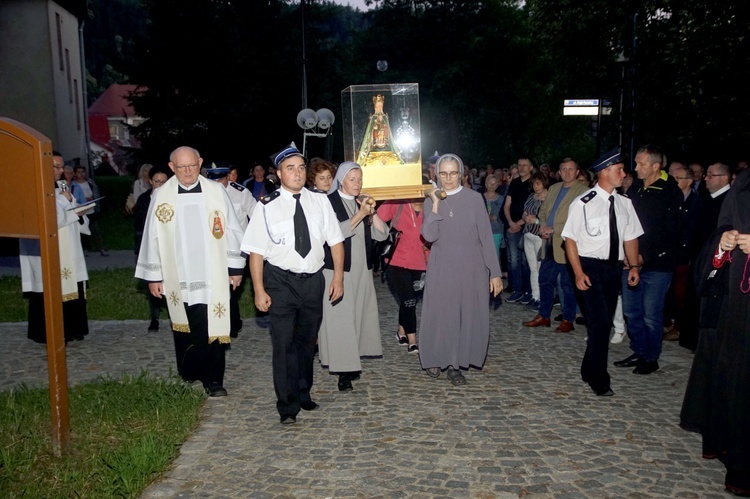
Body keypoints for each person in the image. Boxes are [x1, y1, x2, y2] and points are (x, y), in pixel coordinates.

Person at [243, 142, 344, 425]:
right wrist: (259, 289)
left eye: (301, 168)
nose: (297, 173)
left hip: (312, 281)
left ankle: (303, 392)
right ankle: (287, 406)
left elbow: (335, 241)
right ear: (279, 173)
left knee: (306, 342)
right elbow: (255, 252)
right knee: (283, 343)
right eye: (291, 169)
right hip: (280, 282)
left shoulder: (320, 201)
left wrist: (337, 276)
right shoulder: (266, 206)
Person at [135, 146, 246, 397]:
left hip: (212, 273)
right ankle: (190, 369)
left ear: (200, 163)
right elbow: (152, 236)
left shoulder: (216, 192)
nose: (187, 171)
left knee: (213, 325)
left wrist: (235, 268)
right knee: (185, 324)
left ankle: (214, 379)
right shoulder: (161, 196)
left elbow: (232, 231)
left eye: (192, 166)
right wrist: (154, 275)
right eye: (181, 167)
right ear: (172, 167)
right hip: (179, 275)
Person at [680, 169, 750, 496]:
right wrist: (722, 244)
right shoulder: (745, 184)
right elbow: (721, 231)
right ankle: (731, 450)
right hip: (735, 311)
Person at [562, 149, 643, 396]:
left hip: (614, 268)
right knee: (600, 322)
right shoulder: (583, 203)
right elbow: (570, 240)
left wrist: (634, 265)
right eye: (619, 169)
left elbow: (630, 237)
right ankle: (599, 378)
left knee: (602, 323)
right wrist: (577, 272)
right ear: (605, 172)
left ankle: (588, 369)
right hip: (589, 267)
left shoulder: (625, 203)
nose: (624, 174)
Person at [419, 154, 503, 386]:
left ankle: (455, 365)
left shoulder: (474, 199)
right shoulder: (430, 200)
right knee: (441, 314)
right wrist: (435, 203)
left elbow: (486, 237)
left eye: (453, 173)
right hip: (442, 264)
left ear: (461, 174)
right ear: (437, 173)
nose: (448, 178)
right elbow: (429, 236)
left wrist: (494, 272)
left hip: (471, 266)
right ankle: (436, 356)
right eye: (443, 173)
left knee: (463, 314)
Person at [318, 162, 388, 391]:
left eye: (360, 179)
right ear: (341, 180)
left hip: (362, 269)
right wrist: (360, 213)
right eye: (352, 179)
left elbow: (382, 233)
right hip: (338, 270)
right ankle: (344, 373)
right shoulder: (328, 202)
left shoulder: (363, 202)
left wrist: (372, 211)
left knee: (358, 316)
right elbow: (334, 234)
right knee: (340, 321)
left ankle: (353, 360)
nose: (357, 184)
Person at [614, 145, 682, 375]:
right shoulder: (636, 189)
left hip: (657, 266)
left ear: (656, 166)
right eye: (636, 163)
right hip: (630, 262)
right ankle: (639, 350)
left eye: (641, 164)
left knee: (651, 314)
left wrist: (645, 256)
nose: (636, 168)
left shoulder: (669, 191)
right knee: (632, 312)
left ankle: (651, 357)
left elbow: (670, 233)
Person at [20, 150, 90, 343]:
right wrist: (66, 203)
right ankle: (49, 332)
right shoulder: (33, 188)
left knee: (71, 286)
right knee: (51, 288)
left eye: (62, 166)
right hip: (47, 250)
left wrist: (81, 214)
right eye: (57, 167)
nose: (62, 170)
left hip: (69, 246)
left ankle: (73, 329)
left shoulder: (62, 188)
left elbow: (73, 215)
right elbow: (49, 221)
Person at [522, 158, 588, 332]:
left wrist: (554, 228)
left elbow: (579, 219)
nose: (566, 172)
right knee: (544, 280)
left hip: (567, 245)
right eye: (563, 169)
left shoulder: (583, 191)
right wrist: (543, 226)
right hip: (548, 242)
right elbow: (543, 211)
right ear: (559, 172)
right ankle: (544, 315)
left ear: (577, 172)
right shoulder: (553, 188)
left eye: (570, 169)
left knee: (567, 284)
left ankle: (568, 319)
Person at [206, 164, 257, 337]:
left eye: (220, 180)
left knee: (232, 288)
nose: (217, 184)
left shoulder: (241, 193)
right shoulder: (205, 192)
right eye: (214, 181)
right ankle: (218, 322)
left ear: (227, 177)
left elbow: (256, 215)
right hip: (213, 248)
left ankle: (233, 324)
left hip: (235, 248)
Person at [378, 196, 430, 353]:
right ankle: (412, 340)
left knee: (411, 299)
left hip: (422, 262)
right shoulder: (398, 203)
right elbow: (379, 217)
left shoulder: (432, 207)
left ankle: (401, 330)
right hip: (396, 261)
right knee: (408, 300)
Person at [133, 164, 171, 331]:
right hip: (150, 246)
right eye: (157, 182)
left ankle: (174, 316)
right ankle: (154, 317)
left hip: (169, 248)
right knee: (153, 281)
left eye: (164, 182)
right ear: (150, 181)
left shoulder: (173, 198)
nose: (160, 186)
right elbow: (138, 223)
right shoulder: (143, 199)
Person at [504, 157, 534, 304]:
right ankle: (517, 290)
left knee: (526, 261)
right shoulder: (514, 183)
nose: (521, 168)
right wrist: (511, 222)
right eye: (519, 165)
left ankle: (528, 291)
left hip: (527, 227)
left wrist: (519, 223)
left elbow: (535, 206)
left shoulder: (534, 183)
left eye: (524, 165)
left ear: (531, 168)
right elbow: (507, 205)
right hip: (512, 225)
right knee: (513, 260)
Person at [520, 172, 549, 310]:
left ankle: (543, 298)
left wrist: (536, 220)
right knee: (532, 268)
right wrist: (525, 217)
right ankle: (535, 296)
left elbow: (549, 217)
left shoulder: (549, 197)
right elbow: (525, 211)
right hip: (528, 234)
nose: (535, 186)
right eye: (533, 184)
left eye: (538, 183)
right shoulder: (532, 196)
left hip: (540, 236)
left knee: (540, 267)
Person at [71, 164, 108, 256]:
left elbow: (96, 194)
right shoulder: (73, 185)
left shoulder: (90, 183)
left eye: (82, 172)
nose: (81, 174)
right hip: (81, 211)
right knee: (83, 231)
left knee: (96, 230)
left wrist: (94, 201)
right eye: (78, 172)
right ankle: (85, 249)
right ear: (75, 173)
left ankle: (101, 248)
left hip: (91, 210)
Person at [483, 174, 505, 274]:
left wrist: (495, 218)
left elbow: (503, 215)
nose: (492, 185)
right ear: (486, 184)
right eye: (490, 183)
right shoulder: (480, 198)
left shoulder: (501, 199)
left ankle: (495, 277)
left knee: (494, 255)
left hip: (496, 231)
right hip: (482, 231)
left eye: (494, 183)